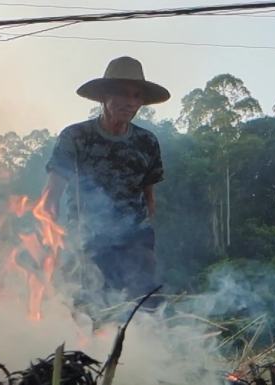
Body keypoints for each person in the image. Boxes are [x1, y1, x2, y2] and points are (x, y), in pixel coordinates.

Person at [43, 56, 170, 301]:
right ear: (104, 96)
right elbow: (51, 195)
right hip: (88, 240)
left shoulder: (147, 142)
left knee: (143, 308)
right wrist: (57, 241)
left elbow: (149, 198)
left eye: (137, 96)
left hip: (134, 242)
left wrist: (145, 243)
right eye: (122, 94)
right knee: (89, 308)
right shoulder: (76, 137)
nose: (131, 102)